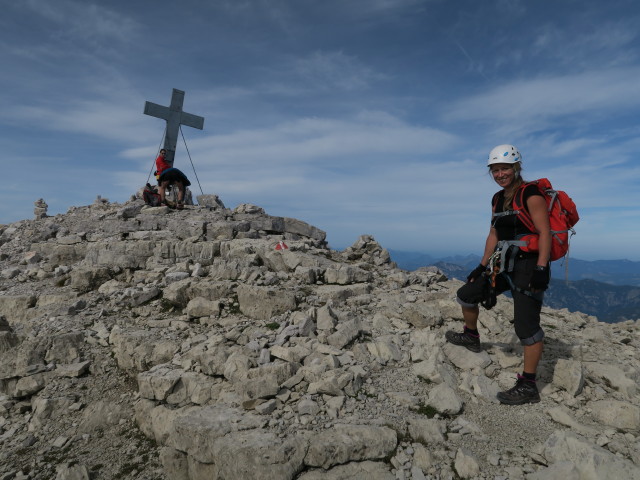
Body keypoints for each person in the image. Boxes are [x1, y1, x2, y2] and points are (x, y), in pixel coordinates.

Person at [445, 144, 551, 405]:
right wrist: (481, 266)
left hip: (528, 266)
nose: (500, 174)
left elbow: (545, 232)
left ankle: (528, 386)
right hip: (502, 264)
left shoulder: (531, 193)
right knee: (466, 294)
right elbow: (493, 233)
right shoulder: (497, 198)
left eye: (504, 168)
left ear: (516, 167)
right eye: (495, 170)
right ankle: (471, 336)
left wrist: (541, 268)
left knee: (526, 327)